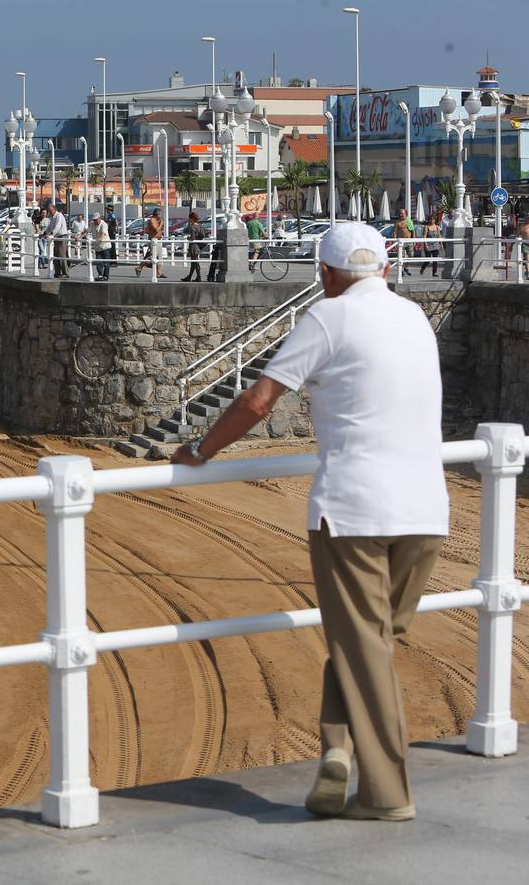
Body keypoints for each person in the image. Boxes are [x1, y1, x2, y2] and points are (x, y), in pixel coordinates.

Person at [172, 222, 446, 822]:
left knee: (362, 646)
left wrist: (200, 451)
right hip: (427, 511)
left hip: (354, 511)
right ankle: (338, 751)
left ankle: (387, 794)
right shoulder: (416, 318)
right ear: (387, 268)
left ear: (324, 274)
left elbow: (258, 401)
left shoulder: (328, 318)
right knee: (368, 644)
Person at [137, 209, 165, 277]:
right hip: (153, 241)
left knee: (160, 257)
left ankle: (159, 273)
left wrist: (161, 231)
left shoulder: (158, 221)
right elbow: (156, 229)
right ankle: (139, 268)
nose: (161, 216)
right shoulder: (152, 220)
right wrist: (161, 224)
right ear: (157, 214)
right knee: (152, 256)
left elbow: (161, 230)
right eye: (160, 214)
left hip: (158, 240)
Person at [181, 211, 206, 282]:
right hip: (198, 245)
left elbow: (192, 238)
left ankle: (198, 277)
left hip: (193, 246)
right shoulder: (200, 226)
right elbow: (203, 235)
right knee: (194, 262)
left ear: (192, 218)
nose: (189, 220)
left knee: (195, 262)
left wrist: (188, 238)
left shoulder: (192, 227)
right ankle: (190, 277)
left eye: (190, 218)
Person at [88, 212, 111, 280]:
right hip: (97, 247)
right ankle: (100, 275)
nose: (95, 221)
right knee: (99, 262)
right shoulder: (92, 224)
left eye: (96, 220)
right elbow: (87, 230)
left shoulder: (104, 224)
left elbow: (103, 233)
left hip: (105, 246)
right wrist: (79, 236)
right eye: (94, 220)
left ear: (100, 218)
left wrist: (100, 238)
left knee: (106, 262)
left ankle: (106, 276)